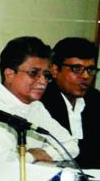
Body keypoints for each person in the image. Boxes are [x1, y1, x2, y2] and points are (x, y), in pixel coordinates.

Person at [0, 36, 79, 176]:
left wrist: (43, 153)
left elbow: (70, 145)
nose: (43, 81)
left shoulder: (36, 107)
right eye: (34, 73)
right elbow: (1, 168)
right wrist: (32, 156)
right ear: (9, 75)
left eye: (46, 75)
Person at [41, 37, 99, 169]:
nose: (85, 76)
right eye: (76, 68)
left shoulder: (96, 100)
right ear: (55, 70)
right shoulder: (41, 102)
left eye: (90, 69)